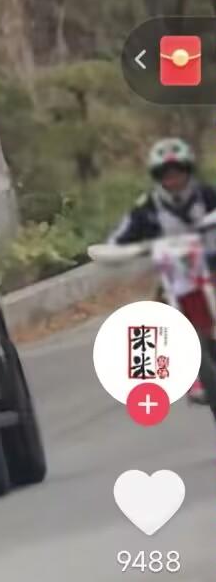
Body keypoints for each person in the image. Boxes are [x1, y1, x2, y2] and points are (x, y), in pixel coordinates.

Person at [110, 139, 216, 403]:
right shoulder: (146, 208)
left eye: (178, 173)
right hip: (176, 276)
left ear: (189, 172)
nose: (173, 180)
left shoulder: (208, 195)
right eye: (166, 175)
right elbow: (118, 240)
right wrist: (123, 250)